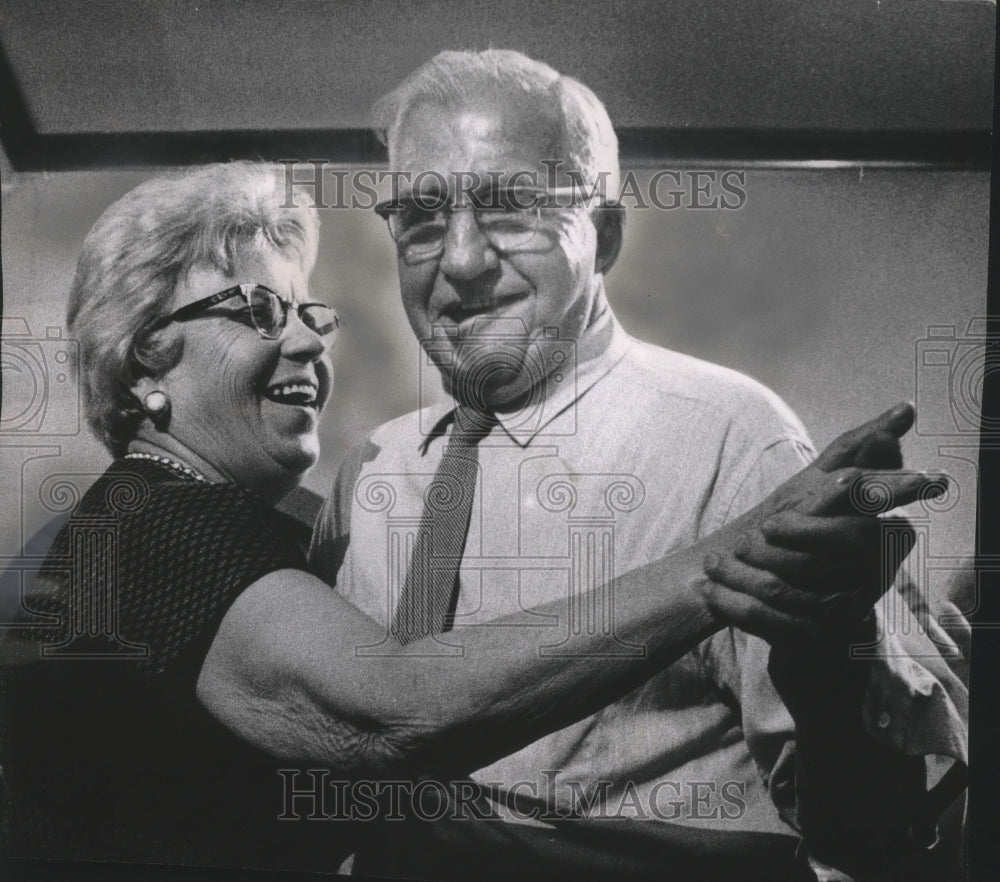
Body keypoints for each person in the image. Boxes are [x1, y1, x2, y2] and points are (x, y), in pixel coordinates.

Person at [0, 162, 934, 877]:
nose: (307, 340)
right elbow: (391, 717)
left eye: (309, 312)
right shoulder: (154, 525)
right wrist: (718, 566)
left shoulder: (262, 525)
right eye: (255, 308)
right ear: (144, 366)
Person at [309, 50, 969, 880]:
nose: (463, 261)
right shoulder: (374, 473)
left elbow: (873, 836)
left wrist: (837, 665)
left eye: (513, 209)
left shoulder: (739, 443)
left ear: (606, 234)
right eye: (422, 219)